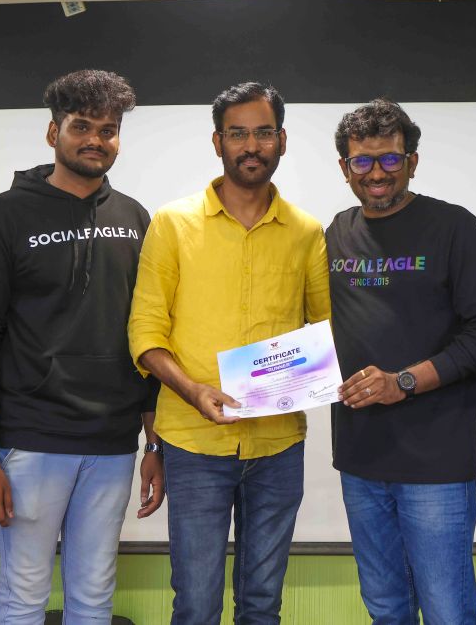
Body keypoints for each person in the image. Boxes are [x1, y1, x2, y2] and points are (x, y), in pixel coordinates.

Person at [0, 69, 162, 623]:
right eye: (82, 126)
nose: (96, 139)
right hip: (30, 442)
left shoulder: (135, 218)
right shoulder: (5, 215)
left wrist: (155, 443)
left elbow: (146, 335)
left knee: (94, 597)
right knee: (23, 597)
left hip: (113, 445)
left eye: (109, 129)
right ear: (54, 134)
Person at [127, 81, 330, 624]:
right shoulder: (172, 224)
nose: (251, 145)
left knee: (262, 605)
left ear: (282, 140)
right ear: (217, 142)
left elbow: (326, 330)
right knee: (196, 604)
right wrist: (193, 391)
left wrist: (308, 373)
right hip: (193, 446)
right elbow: (145, 333)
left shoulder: (307, 232)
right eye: (237, 133)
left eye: (264, 133)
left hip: (278, 444)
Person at [326, 99, 476, 624]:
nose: (377, 173)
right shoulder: (335, 233)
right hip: (359, 461)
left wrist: (402, 382)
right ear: (345, 168)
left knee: (447, 611)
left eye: (390, 158)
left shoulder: (453, 227)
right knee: (385, 608)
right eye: (362, 161)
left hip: (436, 466)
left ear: (412, 160)